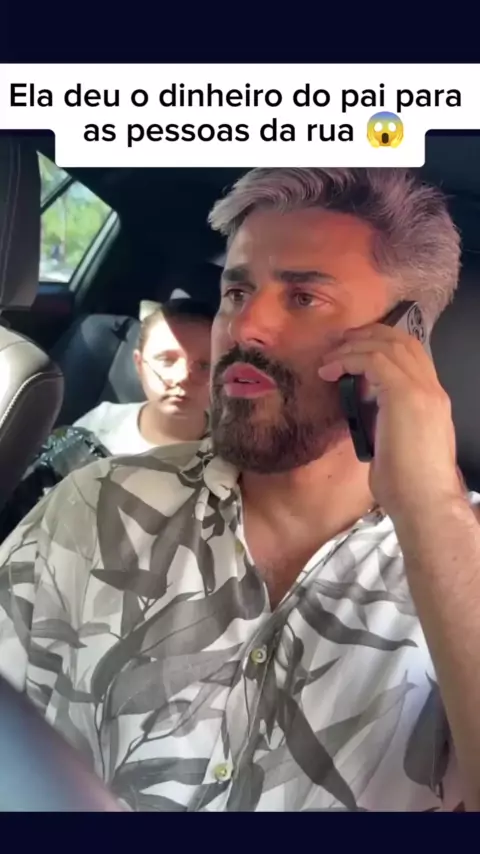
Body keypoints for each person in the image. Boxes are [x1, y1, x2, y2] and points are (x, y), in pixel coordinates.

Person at [0, 167, 480, 813]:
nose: (243, 326)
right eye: (235, 291)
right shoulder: (94, 506)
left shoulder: (462, 564)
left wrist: (431, 512)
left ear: (406, 340)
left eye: (303, 297)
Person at [74, 298, 213, 455]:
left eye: (204, 365)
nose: (182, 377)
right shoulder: (101, 424)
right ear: (139, 364)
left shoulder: (232, 445)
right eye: (166, 360)